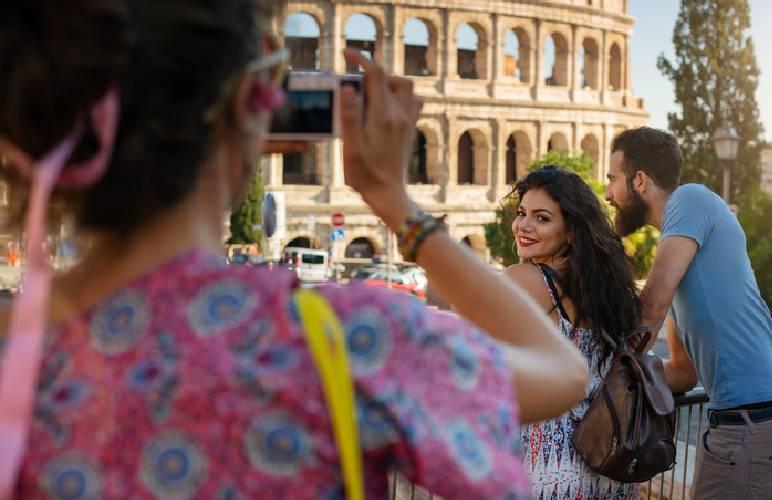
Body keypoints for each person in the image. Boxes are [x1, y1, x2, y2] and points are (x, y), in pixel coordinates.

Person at [0, 1, 589, 498]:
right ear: (245, 105)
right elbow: (562, 371)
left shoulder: (12, 348)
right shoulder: (350, 339)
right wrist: (394, 203)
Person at [605, 126, 772, 499]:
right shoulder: (683, 255)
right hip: (763, 414)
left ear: (640, 180)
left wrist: (601, 373)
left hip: (749, 420)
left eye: (613, 179)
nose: (608, 193)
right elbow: (682, 371)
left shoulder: (691, 199)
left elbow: (651, 305)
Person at [502, 166, 642, 499]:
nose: (524, 225)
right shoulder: (611, 293)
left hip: (545, 469)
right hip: (608, 468)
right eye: (522, 213)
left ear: (571, 230)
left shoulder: (524, 281)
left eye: (542, 218)